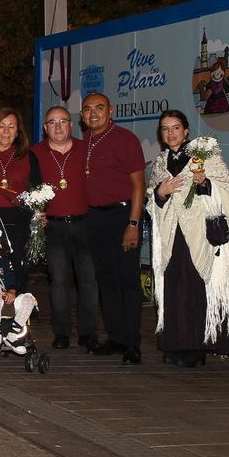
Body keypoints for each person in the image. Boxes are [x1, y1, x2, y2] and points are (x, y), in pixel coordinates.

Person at [147, 111, 229, 366]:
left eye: (176, 127)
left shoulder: (206, 157)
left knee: (196, 288)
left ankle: (196, 349)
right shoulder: (161, 162)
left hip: (199, 236)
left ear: (186, 131)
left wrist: (205, 183)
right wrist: (161, 192)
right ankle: (175, 344)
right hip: (171, 236)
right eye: (165, 129)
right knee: (173, 287)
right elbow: (153, 199)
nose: (170, 133)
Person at [80, 93, 146, 364]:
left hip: (122, 216)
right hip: (94, 219)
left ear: (111, 111)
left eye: (99, 108)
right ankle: (117, 338)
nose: (93, 113)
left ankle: (132, 344)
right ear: (82, 116)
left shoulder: (125, 139)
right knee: (106, 281)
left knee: (127, 281)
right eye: (87, 109)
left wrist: (133, 224)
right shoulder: (84, 142)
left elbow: (139, 186)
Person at [31, 107, 98, 351]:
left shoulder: (86, 149)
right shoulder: (34, 153)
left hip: (85, 223)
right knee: (59, 282)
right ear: (45, 128)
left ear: (72, 125)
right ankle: (61, 333)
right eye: (52, 122)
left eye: (63, 121)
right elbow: (27, 189)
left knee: (89, 281)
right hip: (54, 226)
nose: (58, 126)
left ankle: (88, 333)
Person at [0, 107, 40, 280]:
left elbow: (37, 189)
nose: (6, 131)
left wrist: (39, 213)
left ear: (18, 131)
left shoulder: (28, 156)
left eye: (11, 126)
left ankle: (19, 305)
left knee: (17, 274)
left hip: (20, 222)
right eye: (1, 125)